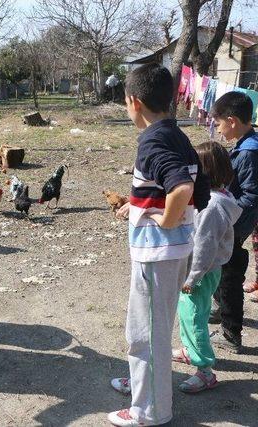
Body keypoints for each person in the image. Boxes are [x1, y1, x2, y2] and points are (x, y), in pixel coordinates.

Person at [109, 63, 210, 427]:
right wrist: (138, 207)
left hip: (157, 254)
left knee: (144, 334)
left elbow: (181, 188)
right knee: (154, 327)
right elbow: (201, 190)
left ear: (134, 102)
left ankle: (149, 410)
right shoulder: (177, 135)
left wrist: (162, 219)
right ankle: (144, 386)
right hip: (175, 250)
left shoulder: (152, 140)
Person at [171, 142, 240, 393]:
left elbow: (204, 247)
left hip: (200, 272)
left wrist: (192, 278)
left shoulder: (211, 206)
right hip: (204, 271)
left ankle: (205, 371)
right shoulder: (220, 198)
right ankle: (190, 350)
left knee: (194, 317)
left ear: (204, 171)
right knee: (190, 312)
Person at [209, 91, 258, 353]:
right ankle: (219, 308)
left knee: (229, 278)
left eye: (218, 124)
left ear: (232, 120)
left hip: (234, 227)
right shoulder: (245, 145)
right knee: (219, 270)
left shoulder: (250, 153)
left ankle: (230, 333)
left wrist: (228, 222)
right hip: (231, 225)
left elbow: (251, 195)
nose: (217, 129)